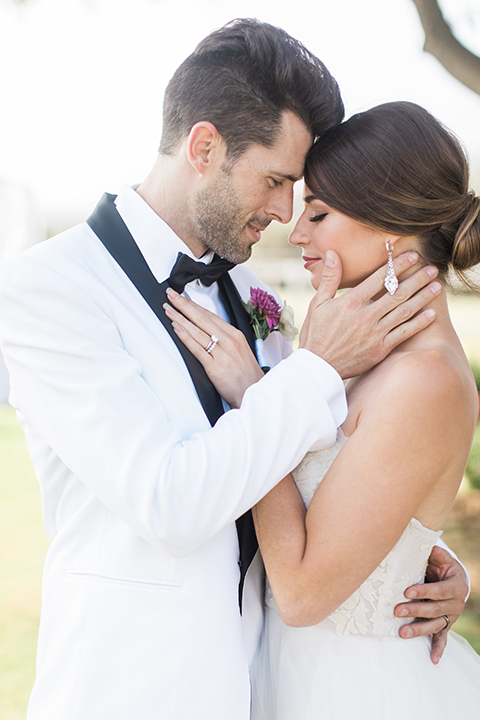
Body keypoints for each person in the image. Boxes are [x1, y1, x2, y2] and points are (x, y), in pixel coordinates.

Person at [0, 19, 468, 720]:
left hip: (275, 690)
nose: (285, 215)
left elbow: (326, 468)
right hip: (132, 698)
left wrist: (408, 558)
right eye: (278, 181)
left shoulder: (257, 299)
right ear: (205, 147)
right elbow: (171, 500)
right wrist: (304, 372)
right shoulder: (47, 291)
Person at [164, 101, 480, 718]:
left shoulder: (427, 379)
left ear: (391, 225)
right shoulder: (368, 350)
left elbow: (305, 592)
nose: (297, 232)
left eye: (319, 213)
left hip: (354, 693)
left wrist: (257, 395)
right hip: (284, 669)